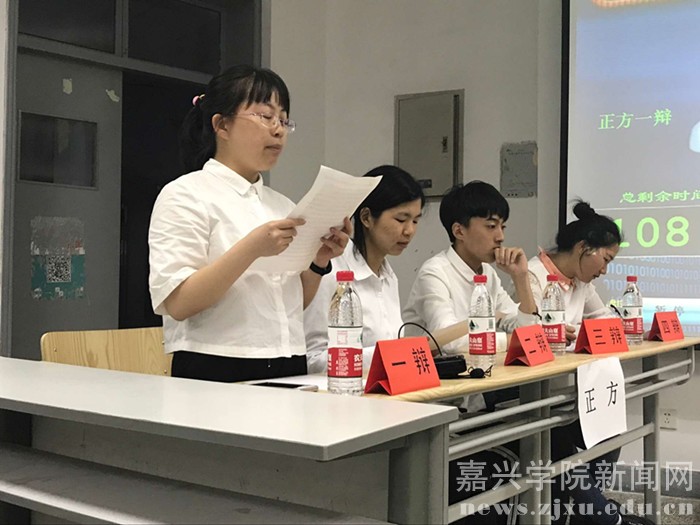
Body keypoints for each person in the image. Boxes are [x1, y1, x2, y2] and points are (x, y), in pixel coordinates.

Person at [148, 65, 350, 383]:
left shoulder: (283, 206)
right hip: (217, 363)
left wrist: (318, 261)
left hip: (288, 360)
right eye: (265, 116)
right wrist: (252, 248)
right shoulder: (184, 194)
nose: (278, 130)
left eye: (284, 120)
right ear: (222, 125)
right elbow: (179, 302)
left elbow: (292, 303)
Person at [527, 201, 654, 525]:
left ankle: (589, 513)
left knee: (609, 430)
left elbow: (604, 320)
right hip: (528, 397)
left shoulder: (581, 283)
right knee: (564, 454)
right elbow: (524, 333)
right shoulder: (532, 276)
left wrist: (623, 328)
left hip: (564, 393)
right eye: (605, 260)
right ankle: (606, 518)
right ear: (584, 247)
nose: (604, 270)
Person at [304, 165, 425, 373]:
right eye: (401, 219)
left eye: (415, 221)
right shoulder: (330, 270)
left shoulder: (388, 277)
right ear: (366, 217)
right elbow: (312, 360)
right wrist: (388, 355)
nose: (409, 231)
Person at [402, 180, 538, 362]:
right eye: (491, 226)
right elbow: (448, 341)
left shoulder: (487, 273)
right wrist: (512, 341)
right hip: (431, 376)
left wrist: (520, 277)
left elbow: (526, 331)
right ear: (459, 231)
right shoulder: (434, 273)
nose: (500, 237)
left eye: (502, 227)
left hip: (475, 374)